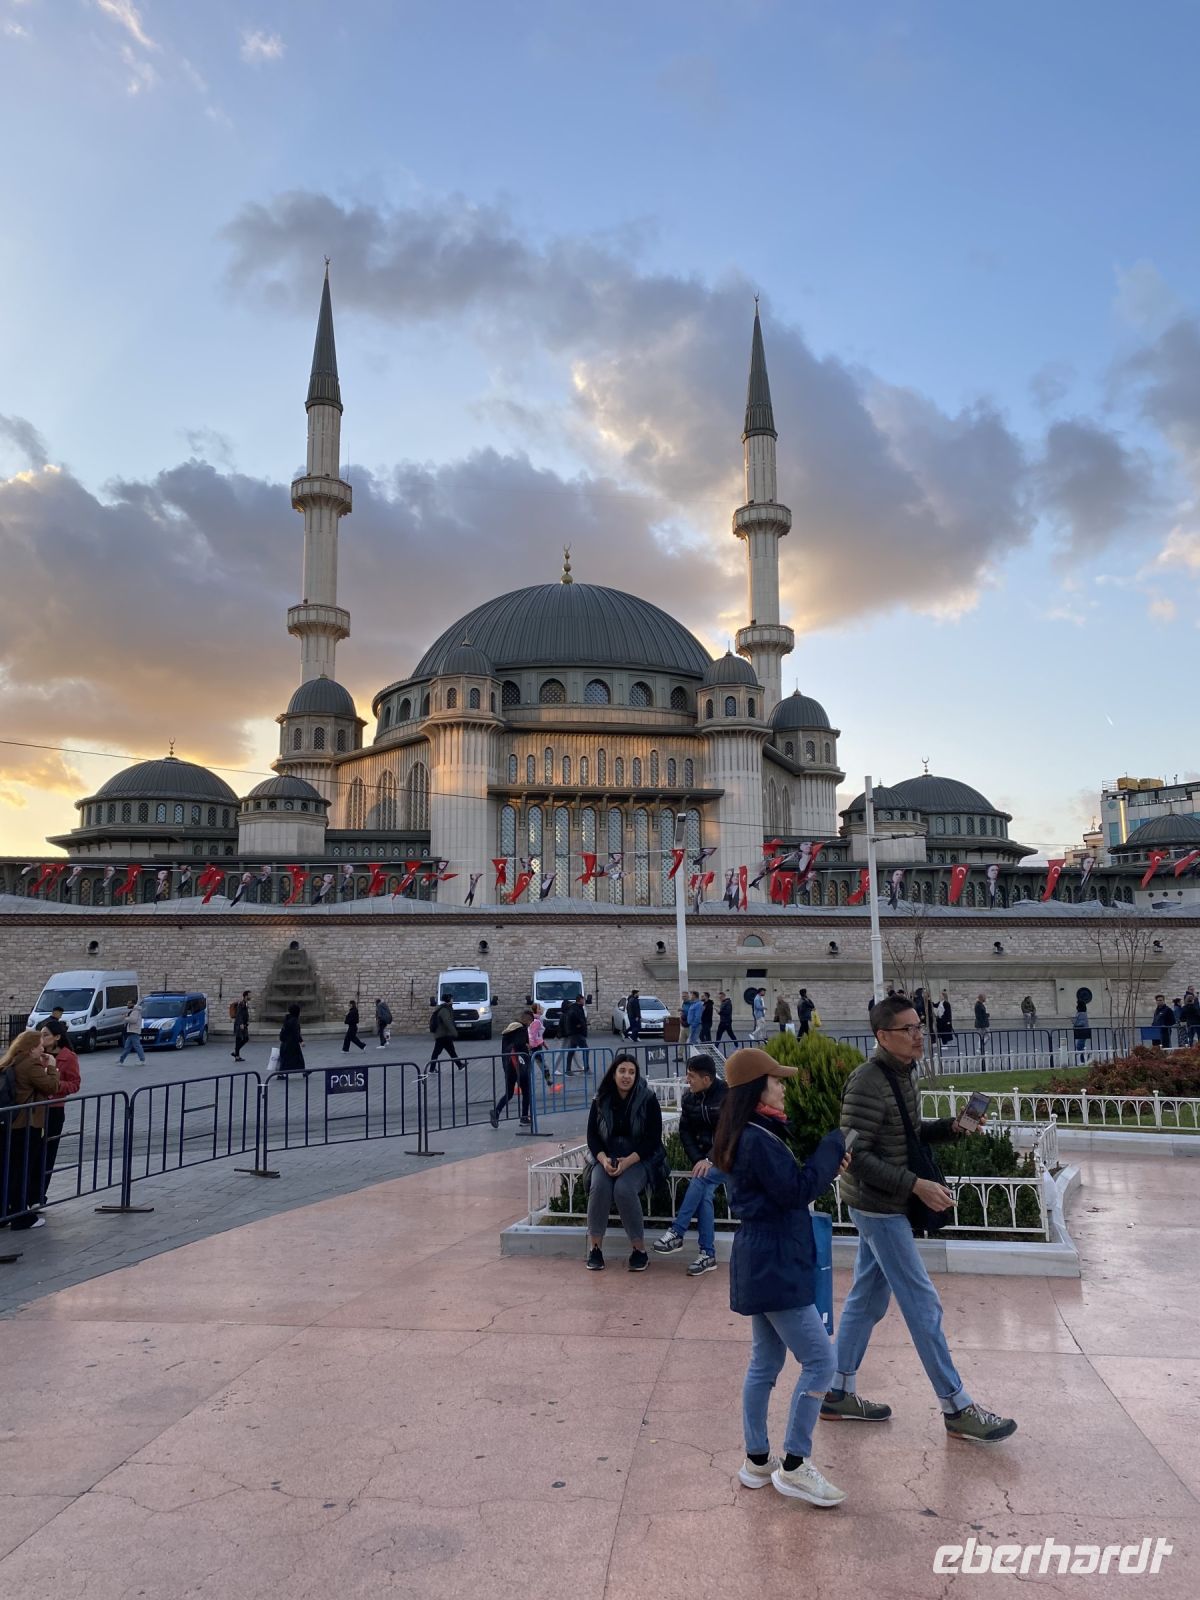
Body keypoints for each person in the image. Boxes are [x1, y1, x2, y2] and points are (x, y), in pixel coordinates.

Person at [824, 995, 1017, 1443]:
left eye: (919, 1027)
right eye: (908, 1029)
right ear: (882, 1036)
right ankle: (956, 1406)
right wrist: (915, 1185)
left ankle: (837, 1391)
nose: (918, 1036)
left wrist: (952, 1126)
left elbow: (905, 1135)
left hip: (886, 1203)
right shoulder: (866, 1083)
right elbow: (854, 1156)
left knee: (866, 1301)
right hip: (879, 1206)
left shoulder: (902, 1075)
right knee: (922, 1303)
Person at [713, 1046, 849, 1505]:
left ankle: (757, 1460)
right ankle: (794, 1464)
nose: (785, 1087)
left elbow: (789, 1185)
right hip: (775, 1261)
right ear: (758, 1089)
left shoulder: (754, 1133)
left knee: (765, 1363)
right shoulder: (756, 1138)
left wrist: (824, 1164)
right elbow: (795, 1191)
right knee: (821, 1362)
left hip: (763, 1258)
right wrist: (831, 1150)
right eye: (778, 1080)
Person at [584, 1052, 665, 1272]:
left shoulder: (647, 1099)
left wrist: (628, 1161)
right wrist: (602, 1159)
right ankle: (595, 1249)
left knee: (623, 1189)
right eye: (622, 1071)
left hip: (639, 1158)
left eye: (631, 1072)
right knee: (599, 1186)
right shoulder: (600, 1099)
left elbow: (653, 1139)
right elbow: (592, 1136)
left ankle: (639, 1251)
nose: (626, 1076)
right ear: (614, 1074)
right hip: (606, 1157)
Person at [652, 1053, 729, 1274]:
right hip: (706, 1160)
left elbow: (729, 1133)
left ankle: (677, 1232)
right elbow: (685, 1131)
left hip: (731, 1157)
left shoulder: (727, 1097)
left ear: (707, 1079)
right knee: (703, 1191)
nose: (688, 1080)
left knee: (701, 1178)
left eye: (692, 1076)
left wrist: (709, 1159)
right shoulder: (689, 1098)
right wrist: (698, 1159)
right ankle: (707, 1255)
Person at [1, 1030, 60, 1229]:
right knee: (23, 1169)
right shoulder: (30, 1064)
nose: (43, 1049)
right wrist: (52, 1068)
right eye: (39, 1046)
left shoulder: (12, 1061)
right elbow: (51, 1087)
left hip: (11, 1122)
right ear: (31, 1048)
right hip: (28, 1123)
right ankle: (21, 1216)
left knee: (9, 1169)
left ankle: (6, 1212)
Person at [37, 1027, 81, 1204]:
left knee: (48, 1153)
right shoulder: (37, 1055)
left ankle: (39, 1196)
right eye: (40, 1034)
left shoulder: (67, 1057)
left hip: (54, 1108)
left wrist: (55, 1085)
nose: (41, 1038)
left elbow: (74, 1084)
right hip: (35, 1108)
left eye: (45, 1035)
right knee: (32, 1152)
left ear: (57, 1037)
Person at [490, 1010, 534, 1127]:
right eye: (530, 1022)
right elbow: (519, 1044)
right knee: (526, 1091)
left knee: (509, 1093)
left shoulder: (509, 1030)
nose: (529, 1025)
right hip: (519, 1065)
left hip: (508, 1064)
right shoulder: (521, 1029)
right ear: (526, 1019)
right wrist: (527, 1046)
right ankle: (524, 1117)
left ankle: (496, 1111)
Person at [429, 994, 460, 1071]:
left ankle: (459, 1065)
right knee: (437, 1052)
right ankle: (431, 1069)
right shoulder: (444, 1010)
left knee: (451, 1051)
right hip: (442, 1034)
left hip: (444, 1034)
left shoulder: (445, 1008)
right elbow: (447, 1022)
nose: (453, 1000)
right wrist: (454, 1032)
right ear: (449, 999)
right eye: (452, 999)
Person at [562, 993, 588, 1075]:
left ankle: (568, 1070)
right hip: (576, 1033)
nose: (584, 1001)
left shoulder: (577, 1008)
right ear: (580, 1000)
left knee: (571, 1051)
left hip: (574, 1032)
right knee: (585, 1049)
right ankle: (586, 1068)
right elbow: (574, 1017)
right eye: (583, 999)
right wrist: (580, 1024)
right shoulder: (575, 1008)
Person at [277, 1004, 305, 1073]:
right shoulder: (294, 1021)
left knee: (285, 1059)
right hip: (292, 1043)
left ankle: (303, 1071)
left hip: (285, 1043)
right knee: (298, 1058)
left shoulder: (287, 1019)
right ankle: (303, 1071)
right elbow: (296, 1032)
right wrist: (301, 1041)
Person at [118, 1000, 145, 1065]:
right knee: (127, 1047)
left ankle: (142, 1060)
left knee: (137, 1046)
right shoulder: (133, 1011)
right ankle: (121, 1060)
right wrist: (126, 1016)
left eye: (129, 1003)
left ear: (133, 1004)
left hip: (134, 1031)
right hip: (131, 1031)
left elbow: (133, 1020)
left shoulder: (135, 1011)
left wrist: (126, 1018)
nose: (127, 1004)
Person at [528, 1003, 549, 1083]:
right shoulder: (536, 1021)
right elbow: (532, 1035)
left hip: (535, 1046)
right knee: (544, 1066)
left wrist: (544, 1043)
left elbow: (538, 1035)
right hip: (535, 1047)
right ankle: (550, 1084)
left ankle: (518, 1086)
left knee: (527, 1067)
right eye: (539, 1008)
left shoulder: (537, 1019)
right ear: (536, 1010)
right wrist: (532, 1045)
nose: (541, 1009)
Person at [232, 991, 250, 1061]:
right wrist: (241, 1023)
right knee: (239, 1039)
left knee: (245, 1039)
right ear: (246, 996)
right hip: (240, 1025)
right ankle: (237, 1056)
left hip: (244, 1024)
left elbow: (245, 1014)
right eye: (249, 995)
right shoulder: (241, 1004)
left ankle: (236, 1053)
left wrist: (247, 1020)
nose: (251, 996)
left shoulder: (245, 1003)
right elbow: (239, 1014)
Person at [973, 993, 990, 1059]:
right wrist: (983, 1024)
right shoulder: (978, 1005)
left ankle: (980, 1047)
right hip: (981, 1024)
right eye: (984, 997)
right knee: (983, 1036)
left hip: (983, 1024)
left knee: (986, 1036)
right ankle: (980, 1048)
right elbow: (979, 1016)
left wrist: (986, 1015)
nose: (985, 998)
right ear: (981, 998)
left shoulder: (980, 1005)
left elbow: (982, 1014)